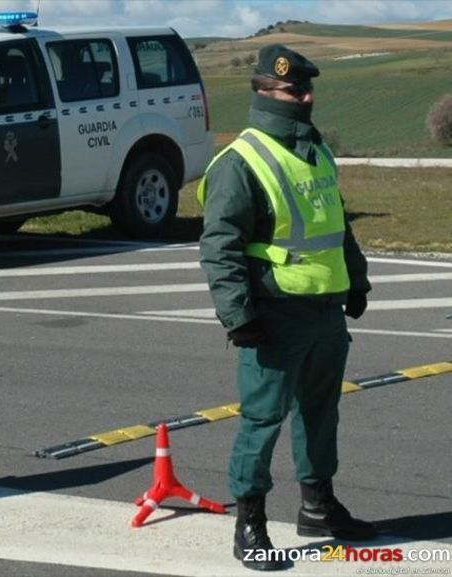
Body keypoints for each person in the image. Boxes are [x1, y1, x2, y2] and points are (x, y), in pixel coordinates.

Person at [198, 44, 377, 571]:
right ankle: (248, 523)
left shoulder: (316, 150)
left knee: (321, 415)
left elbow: (337, 226)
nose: (305, 97)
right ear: (262, 91)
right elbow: (220, 246)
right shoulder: (241, 161)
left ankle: (318, 506)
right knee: (262, 420)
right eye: (293, 90)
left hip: (324, 309)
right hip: (274, 315)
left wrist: (358, 281)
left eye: (307, 88)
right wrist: (238, 315)